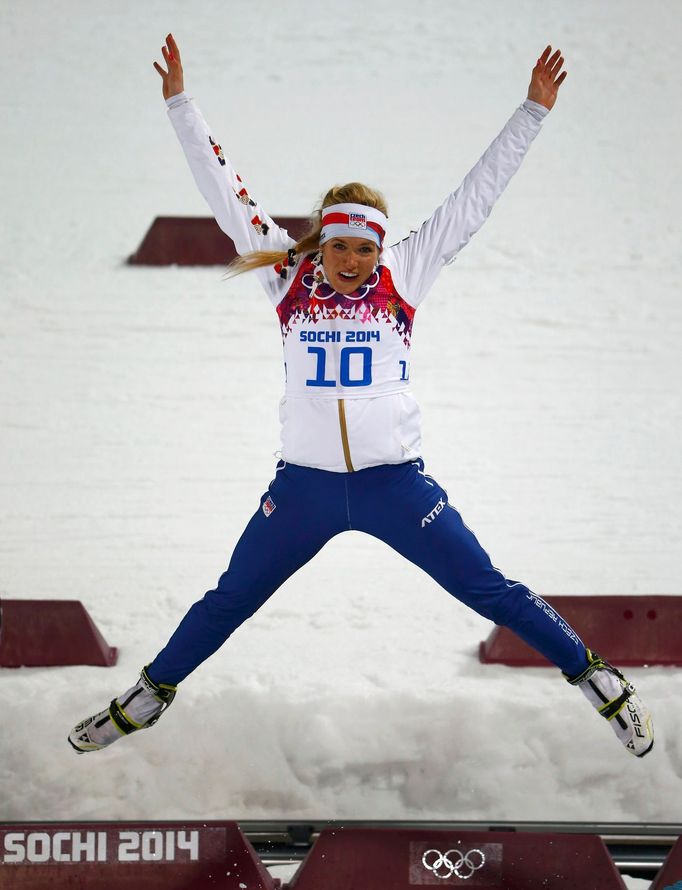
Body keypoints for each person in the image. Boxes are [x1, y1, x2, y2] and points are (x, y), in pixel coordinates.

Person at [69, 35, 653, 758]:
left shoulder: (406, 273)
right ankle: (151, 693)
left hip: (394, 487)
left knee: (488, 588)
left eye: (366, 250)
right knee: (231, 599)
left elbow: (477, 195)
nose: (354, 262)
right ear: (324, 244)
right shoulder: (288, 278)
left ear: (382, 250)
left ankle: (598, 680)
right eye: (342, 248)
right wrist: (182, 106)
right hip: (305, 490)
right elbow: (224, 190)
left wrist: (532, 111)